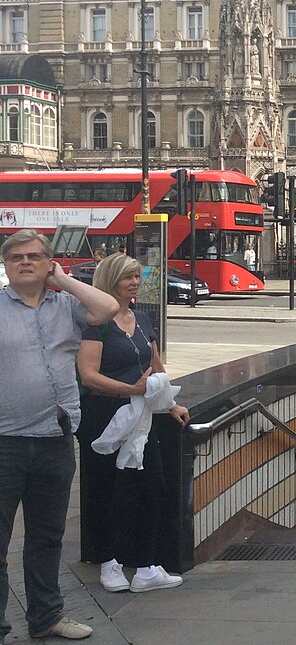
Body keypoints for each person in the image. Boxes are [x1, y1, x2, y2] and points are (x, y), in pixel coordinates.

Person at [0, 229, 119, 642]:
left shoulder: (66, 305)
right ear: (6, 264)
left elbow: (108, 307)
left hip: (56, 437)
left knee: (47, 536)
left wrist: (63, 279)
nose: (26, 262)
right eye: (16, 257)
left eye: (35, 256)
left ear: (49, 263)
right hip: (5, 441)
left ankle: (46, 616)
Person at [75, 253, 189, 596]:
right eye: (128, 277)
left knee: (151, 488)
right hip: (104, 417)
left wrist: (169, 404)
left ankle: (145, 566)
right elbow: (88, 375)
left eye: (138, 276)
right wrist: (130, 390)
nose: (135, 283)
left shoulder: (142, 318)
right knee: (107, 491)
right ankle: (109, 562)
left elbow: (156, 365)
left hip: (140, 417)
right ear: (112, 281)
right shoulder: (97, 323)